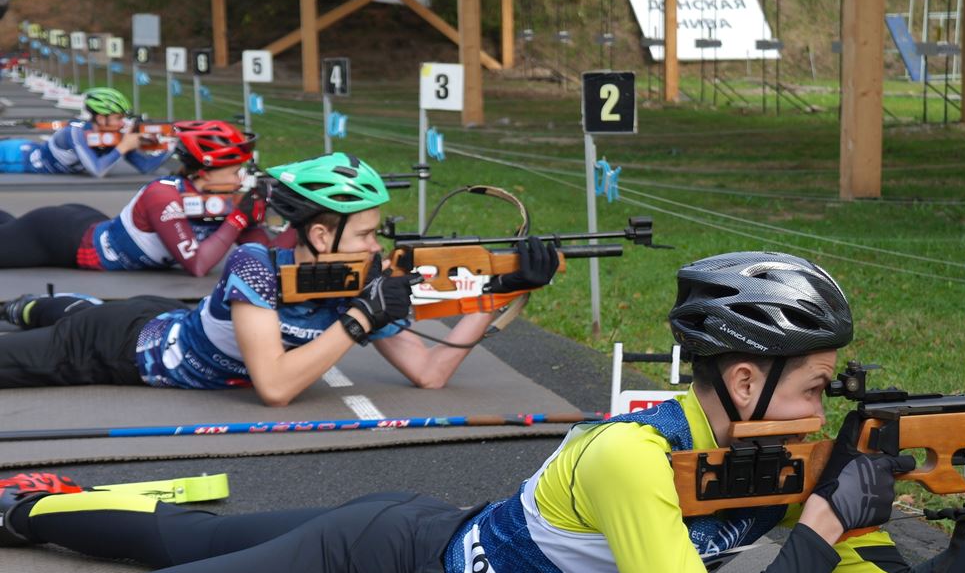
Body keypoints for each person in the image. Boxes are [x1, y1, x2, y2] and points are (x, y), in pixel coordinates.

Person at [0, 252, 965, 573]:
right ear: (738, 379)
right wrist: (820, 530)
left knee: (180, 535)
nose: (830, 406)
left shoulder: (789, 462)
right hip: (377, 572)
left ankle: (27, 511)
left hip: (428, 533)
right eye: (815, 384)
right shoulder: (636, 456)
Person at [0, 152, 558, 403]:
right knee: (32, 351)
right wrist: (362, 319)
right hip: (120, 347)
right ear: (320, 237)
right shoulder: (256, 266)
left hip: (156, 315)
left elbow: (430, 371)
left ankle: (32, 305)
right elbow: (275, 387)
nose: (377, 247)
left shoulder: (360, 276)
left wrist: (501, 290)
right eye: (365, 235)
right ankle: (30, 308)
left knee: (60, 309)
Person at [0, 119, 277, 276]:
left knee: (9, 231)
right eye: (233, 172)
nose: (240, 180)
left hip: (88, 222)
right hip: (60, 237)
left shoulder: (224, 197)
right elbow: (198, 264)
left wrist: (288, 213)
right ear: (204, 172)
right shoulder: (163, 195)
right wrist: (240, 218)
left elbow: (270, 257)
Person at [0, 87, 171, 176]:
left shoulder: (114, 136)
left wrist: (171, 145)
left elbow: (146, 166)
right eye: (118, 118)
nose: (122, 123)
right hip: (15, 157)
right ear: (100, 118)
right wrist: (124, 147)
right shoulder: (74, 134)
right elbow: (97, 170)